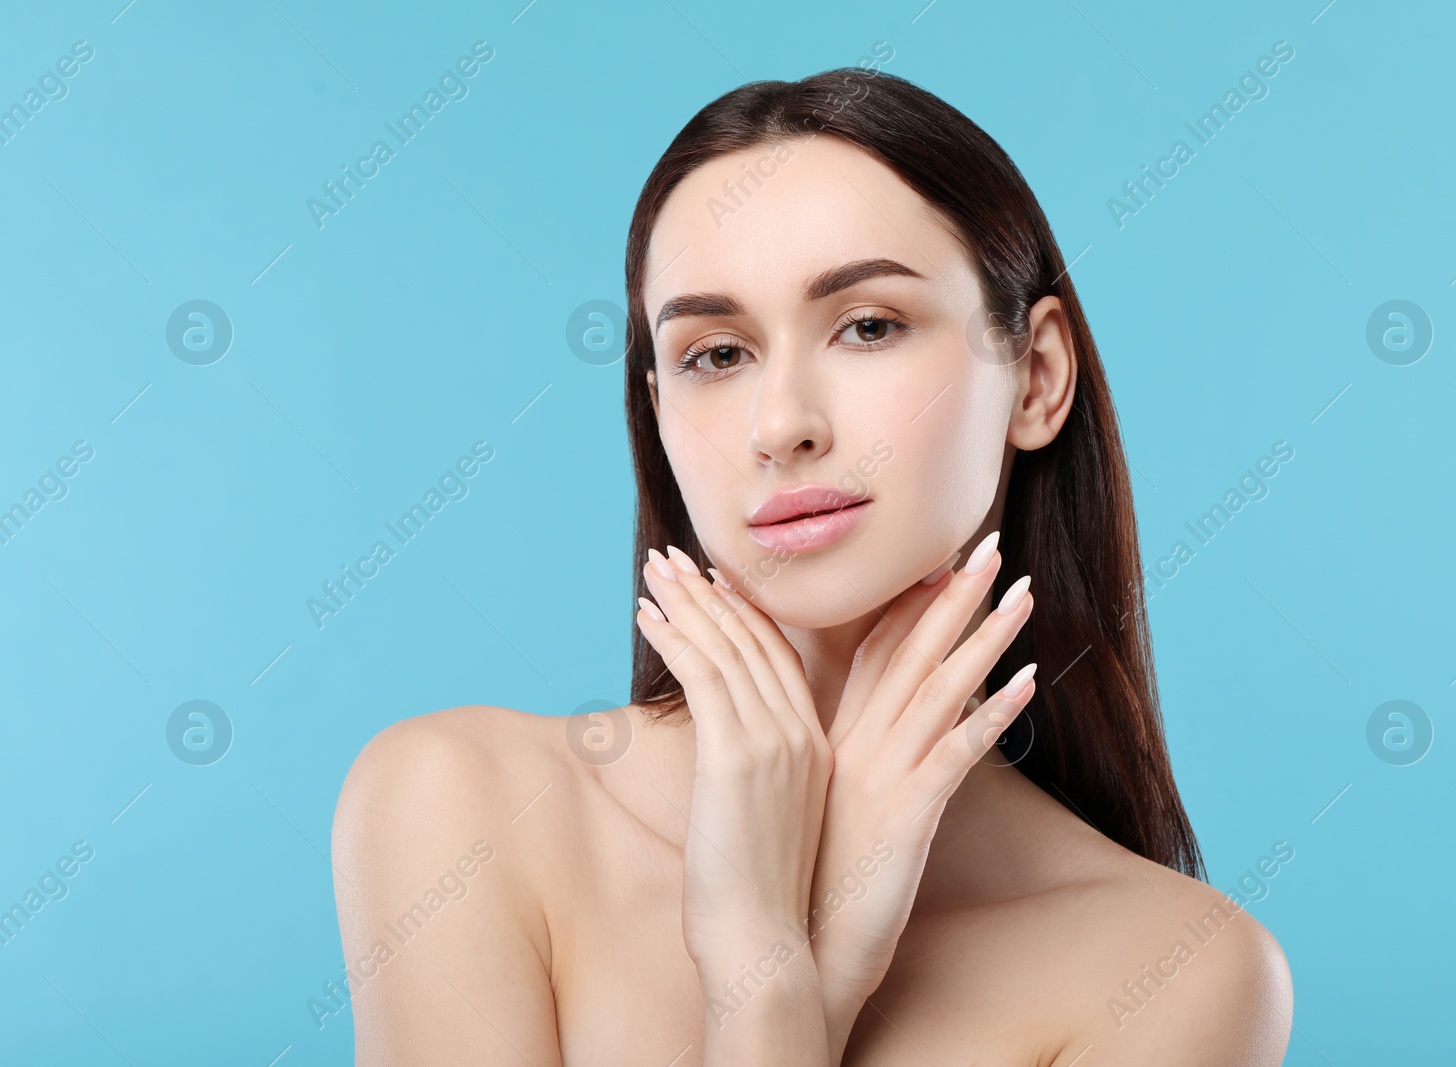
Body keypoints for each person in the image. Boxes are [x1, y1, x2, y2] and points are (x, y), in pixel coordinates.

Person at [332, 66, 1293, 1066]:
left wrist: (777, 975)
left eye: (867, 325)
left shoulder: (1181, 971)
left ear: (1037, 376)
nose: (782, 423)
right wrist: (787, 967)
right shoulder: (460, 806)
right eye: (717, 353)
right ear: (656, 407)